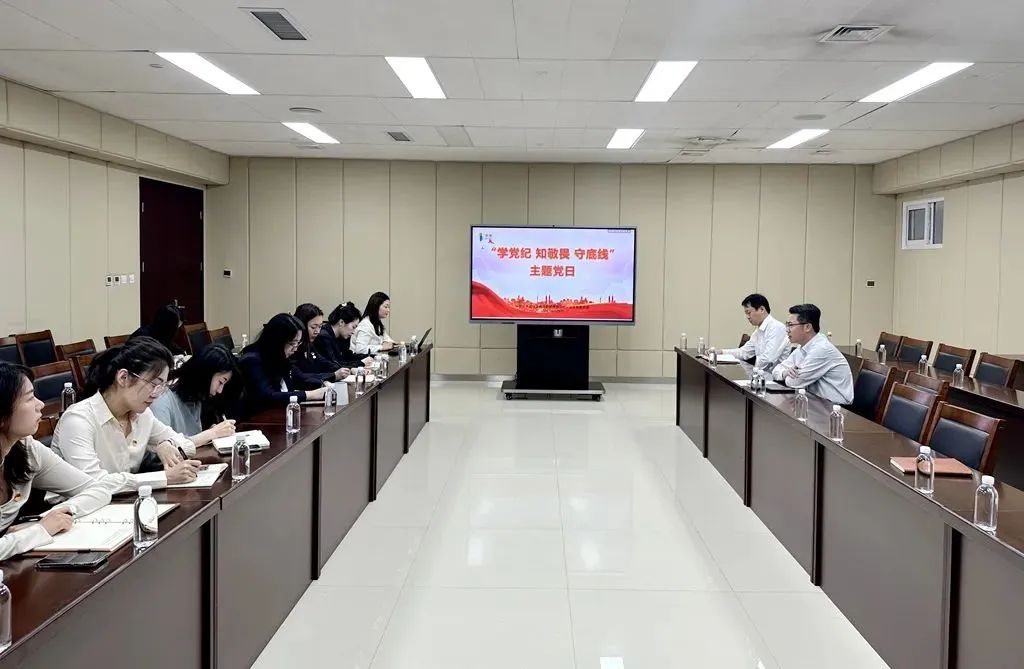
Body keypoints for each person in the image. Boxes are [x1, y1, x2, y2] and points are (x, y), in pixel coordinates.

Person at [0, 362, 128, 559]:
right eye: (29, 398)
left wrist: (55, 516)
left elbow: (99, 490)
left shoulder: (26, 448)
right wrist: (39, 530)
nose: (40, 404)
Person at [52, 337, 201, 491]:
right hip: (77, 504)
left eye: (162, 387)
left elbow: (187, 444)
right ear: (123, 378)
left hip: (123, 500)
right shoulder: (78, 419)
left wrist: (166, 444)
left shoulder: (142, 415)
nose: (156, 395)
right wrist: (164, 478)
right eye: (154, 385)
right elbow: (92, 483)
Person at [237, 313, 328, 417]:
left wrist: (324, 383)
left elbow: (300, 378)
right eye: (292, 343)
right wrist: (310, 395)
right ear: (277, 341)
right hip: (258, 420)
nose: (295, 348)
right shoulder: (251, 361)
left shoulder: (280, 358)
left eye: (298, 343)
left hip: (280, 415)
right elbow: (268, 396)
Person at [150, 344, 238, 447]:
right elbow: (163, 449)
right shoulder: (161, 398)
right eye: (220, 382)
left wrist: (211, 434)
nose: (220, 390)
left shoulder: (195, 397)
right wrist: (211, 433)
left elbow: (191, 439)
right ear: (206, 374)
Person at [771, 304, 854, 404]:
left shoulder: (821, 349)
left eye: (791, 325)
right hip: (815, 401)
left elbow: (795, 382)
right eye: (787, 325)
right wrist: (785, 373)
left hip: (835, 407)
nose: (787, 329)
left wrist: (786, 376)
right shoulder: (802, 347)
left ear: (807, 327)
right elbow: (776, 370)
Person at [712, 293, 789, 371]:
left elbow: (768, 359)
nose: (747, 317)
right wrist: (721, 352)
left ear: (762, 309)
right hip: (762, 374)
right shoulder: (758, 332)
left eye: (749, 313)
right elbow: (744, 352)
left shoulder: (777, 327)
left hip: (774, 377)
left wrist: (753, 370)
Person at [293, 303, 351, 381]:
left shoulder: (308, 344)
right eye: (313, 327)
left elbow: (323, 363)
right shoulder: (293, 347)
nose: (317, 331)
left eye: (320, 326)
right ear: (301, 325)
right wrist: (333, 376)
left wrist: (348, 370)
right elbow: (299, 377)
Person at [315, 302, 372, 368]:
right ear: (341, 322)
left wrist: (370, 356)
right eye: (353, 327)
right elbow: (335, 365)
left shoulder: (342, 337)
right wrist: (361, 363)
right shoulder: (323, 337)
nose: (353, 332)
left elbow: (348, 356)